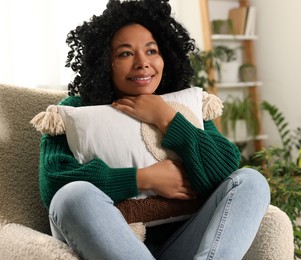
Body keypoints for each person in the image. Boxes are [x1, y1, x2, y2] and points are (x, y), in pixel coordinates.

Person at [39, 0, 270, 259]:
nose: (142, 63)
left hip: (184, 244)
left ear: (166, 56)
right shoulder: (74, 111)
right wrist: (144, 178)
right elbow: (54, 182)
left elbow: (224, 171)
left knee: (252, 181)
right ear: (105, 61)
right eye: (125, 53)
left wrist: (167, 118)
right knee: (71, 195)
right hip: (111, 245)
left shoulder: (183, 108)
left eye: (152, 51)